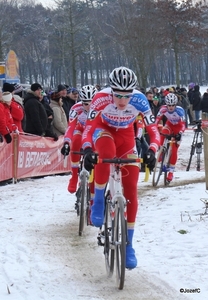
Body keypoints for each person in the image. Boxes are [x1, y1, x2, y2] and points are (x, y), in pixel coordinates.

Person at [81, 67, 160, 269]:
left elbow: (153, 130)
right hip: (104, 130)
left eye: (127, 95)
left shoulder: (141, 100)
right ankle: (98, 200)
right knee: (106, 155)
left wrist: (152, 149)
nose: (122, 100)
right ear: (111, 91)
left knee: (132, 190)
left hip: (126, 138)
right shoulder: (100, 98)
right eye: (117, 95)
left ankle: (129, 245)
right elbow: (88, 129)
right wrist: (88, 148)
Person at [61, 85, 97, 193]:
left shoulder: (101, 108)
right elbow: (70, 127)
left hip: (94, 132)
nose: (89, 106)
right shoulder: (75, 108)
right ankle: (74, 175)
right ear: (81, 102)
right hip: (80, 129)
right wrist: (66, 142)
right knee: (76, 140)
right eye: (86, 103)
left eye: (92, 102)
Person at [155, 93, 185, 182]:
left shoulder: (180, 111)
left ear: (175, 104)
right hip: (169, 125)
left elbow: (183, 125)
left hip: (178, 128)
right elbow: (156, 120)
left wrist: (180, 133)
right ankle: (161, 151)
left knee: (174, 149)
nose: (171, 107)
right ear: (166, 104)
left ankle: (171, 172)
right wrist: (153, 128)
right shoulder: (163, 109)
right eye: (169, 105)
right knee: (163, 133)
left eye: (173, 105)